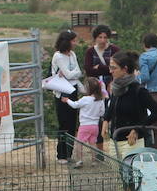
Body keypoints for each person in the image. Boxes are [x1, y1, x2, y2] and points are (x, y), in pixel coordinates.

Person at [101, 51, 157, 147]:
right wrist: (106, 120)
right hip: (115, 140)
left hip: (132, 142)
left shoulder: (139, 90)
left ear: (125, 69)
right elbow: (112, 105)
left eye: (114, 68)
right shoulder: (117, 87)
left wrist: (137, 129)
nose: (110, 71)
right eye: (110, 67)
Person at [49, 30, 84, 164]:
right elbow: (70, 74)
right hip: (62, 91)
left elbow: (77, 72)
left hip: (73, 90)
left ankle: (69, 152)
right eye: (73, 41)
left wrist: (72, 73)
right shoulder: (58, 56)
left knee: (72, 123)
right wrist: (73, 73)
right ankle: (61, 154)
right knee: (64, 123)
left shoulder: (72, 54)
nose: (75, 43)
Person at [61, 77, 106, 166]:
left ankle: (80, 160)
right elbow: (102, 112)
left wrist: (67, 100)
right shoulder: (100, 100)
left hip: (85, 125)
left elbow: (75, 105)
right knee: (92, 143)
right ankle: (94, 161)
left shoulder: (85, 99)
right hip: (95, 126)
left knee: (79, 143)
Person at [83, 24, 118, 92]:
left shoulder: (114, 50)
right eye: (100, 37)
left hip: (111, 86)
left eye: (105, 37)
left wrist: (100, 67)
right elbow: (89, 71)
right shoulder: (90, 52)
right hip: (95, 87)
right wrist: (108, 69)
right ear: (95, 38)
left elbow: (117, 69)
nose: (103, 40)